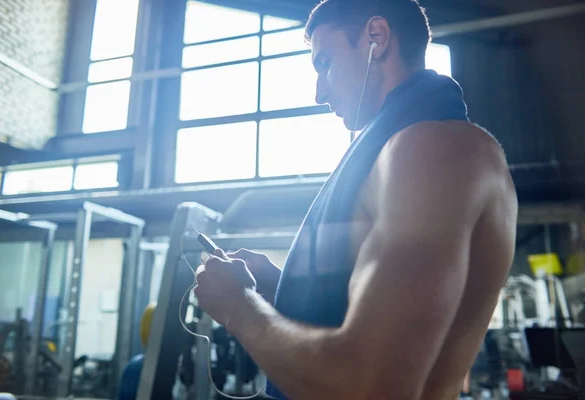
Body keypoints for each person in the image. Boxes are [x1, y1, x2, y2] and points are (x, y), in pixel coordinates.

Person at [194, 0, 518, 399]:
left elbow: (370, 384)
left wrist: (237, 306)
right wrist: (284, 291)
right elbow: (370, 309)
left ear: (375, 39)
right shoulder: (400, 150)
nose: (318, 92)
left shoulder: (433, 148)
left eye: (325, 62)